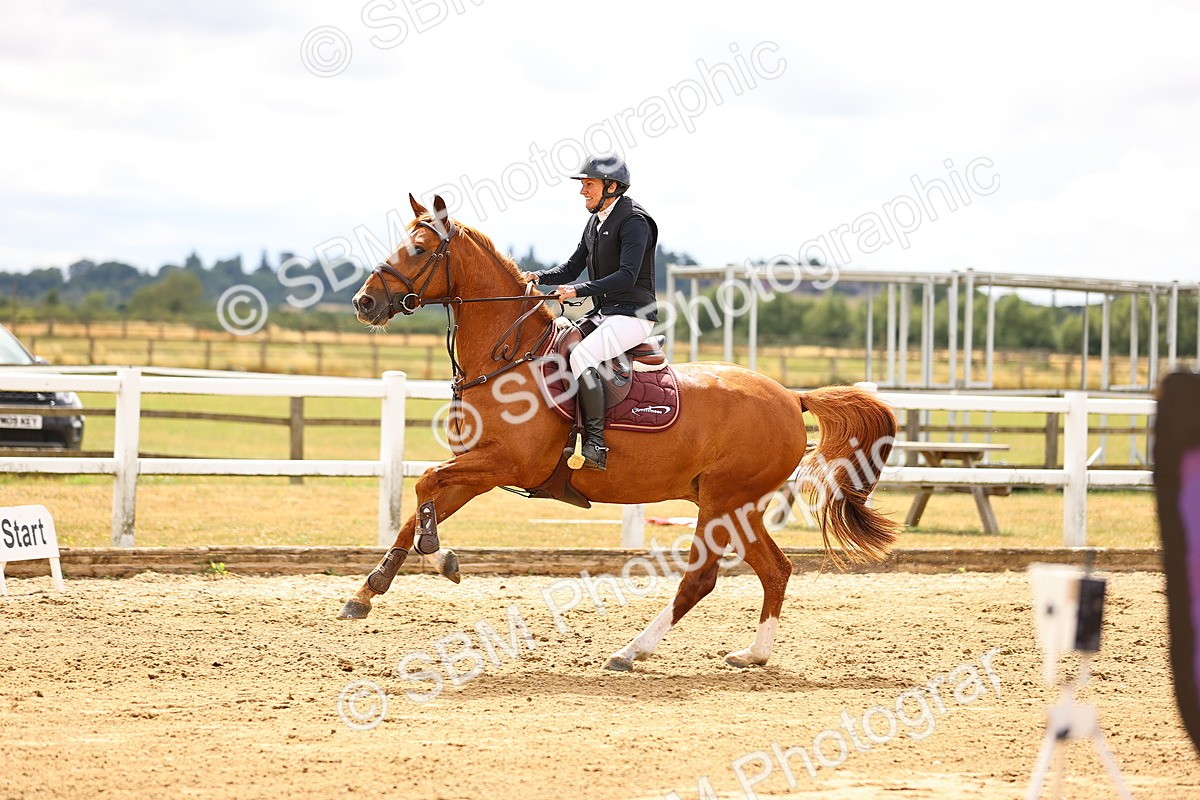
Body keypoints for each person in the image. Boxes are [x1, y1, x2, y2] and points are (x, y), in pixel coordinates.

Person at [520, 153, 659, 471]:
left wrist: (579, 290)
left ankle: (595, 443)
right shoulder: (597, 221)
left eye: (589, 184)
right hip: (606, 313)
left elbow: (627, 275)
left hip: (634, 316)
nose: (582, 190)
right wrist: (538, 277)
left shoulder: (635, 221)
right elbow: (572, 266)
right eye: (583, 184)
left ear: (611, 186)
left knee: (582, 356)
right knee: (557, 342)